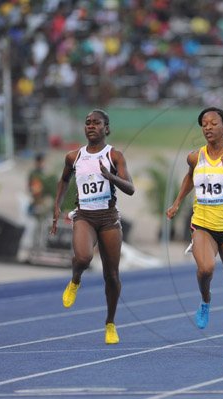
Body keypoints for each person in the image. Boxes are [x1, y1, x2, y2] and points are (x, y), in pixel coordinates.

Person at [166, 107, 223, 356]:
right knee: (205, 269)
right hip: (202, 223)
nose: (207, 127)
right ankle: (205, 300)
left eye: (213, 123)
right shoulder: (195, 157)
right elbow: (190, 177)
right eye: (204, 123)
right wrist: (177, 202)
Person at [50, 109, 135, 345]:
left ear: (106, 128)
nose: (91, 126)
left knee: (112, 275)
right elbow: (64, 179)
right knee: (84, 257)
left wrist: (111, 176)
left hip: (108, 218)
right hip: (85, 215)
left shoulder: (114, 155)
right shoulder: (73, 157)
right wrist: (57, 205)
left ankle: (110, 323)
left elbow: (130, 188)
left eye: (96, 123)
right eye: (87, 122)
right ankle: (75, 279)